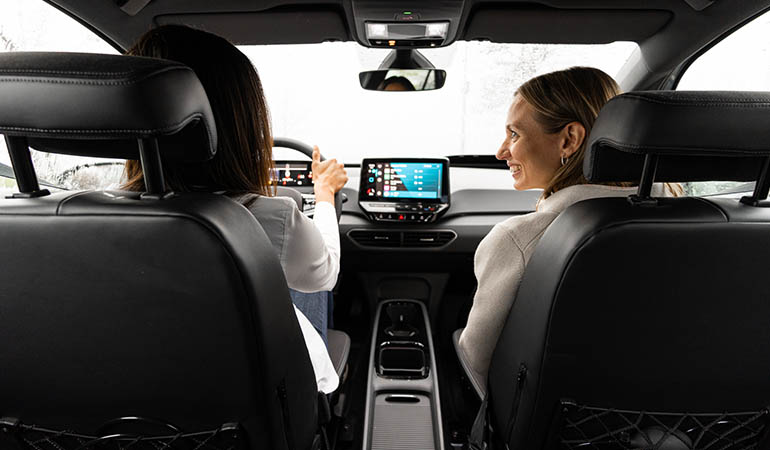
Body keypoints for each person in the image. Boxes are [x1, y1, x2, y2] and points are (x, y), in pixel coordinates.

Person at [122, 25, 348, 394]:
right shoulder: (270, 221)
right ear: (239, 122)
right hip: (246, 420)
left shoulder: (58, 223)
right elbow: (324, 275)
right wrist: (323, 194)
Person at [458, 67, 680, 386]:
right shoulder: (704, 223)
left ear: (569, 139)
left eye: (514, 134)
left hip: (562, 432)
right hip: (694, 426)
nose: (501, 151)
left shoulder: (518, 240)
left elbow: (479, 363)